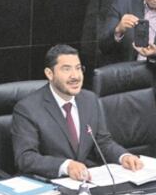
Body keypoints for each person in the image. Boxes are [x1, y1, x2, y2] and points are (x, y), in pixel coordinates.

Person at [12, 45, 143, 180]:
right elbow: (25, 158)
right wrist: (66, 166)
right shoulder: (28, 108)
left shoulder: (90, 99)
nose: (75, 76)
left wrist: (123, 156)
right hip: (51, 184)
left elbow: (102, 142)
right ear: (50, 74)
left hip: (87, 181)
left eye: (78, 68)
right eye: (66, 69)